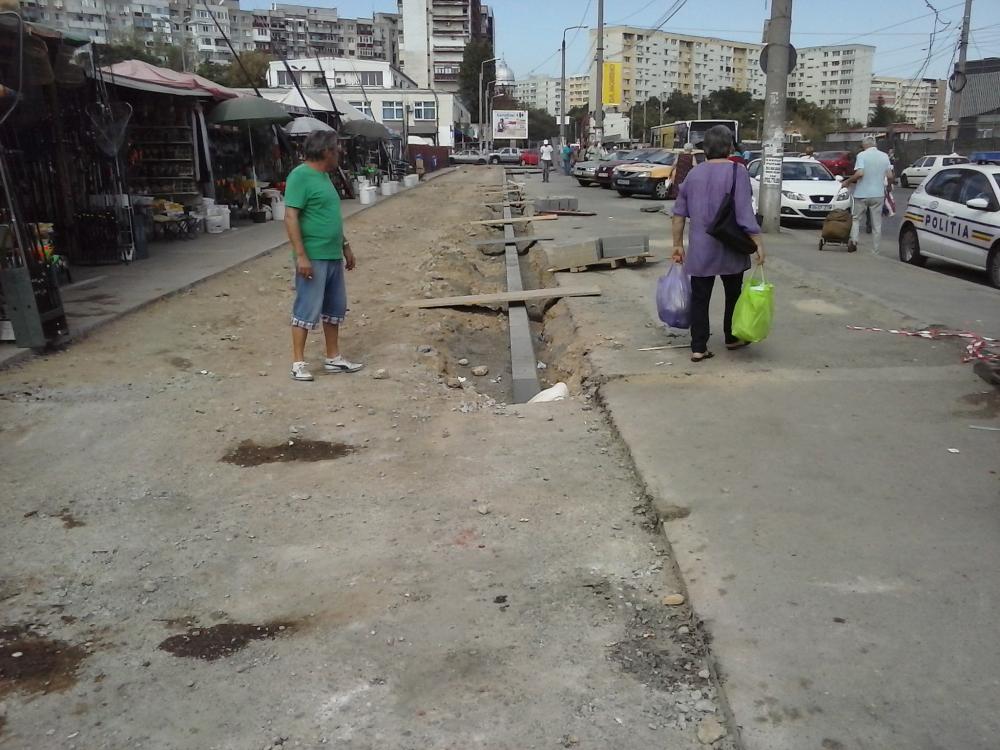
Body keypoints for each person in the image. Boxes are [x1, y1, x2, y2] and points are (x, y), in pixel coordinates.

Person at [672, 125, 765, 363]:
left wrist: (677, 245)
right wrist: (758, 242)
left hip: (701, 248)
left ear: (705, 149)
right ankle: (731, 337)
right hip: (731, 245)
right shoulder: (737, 171)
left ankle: (698, 346)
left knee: (700, 297)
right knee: (733, 294)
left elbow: (679, 214)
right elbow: (744, 213)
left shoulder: (693, 174)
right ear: (730, 147)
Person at [284, 130, 364, 382]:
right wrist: (301, 256)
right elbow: (290, 217)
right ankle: (298, 363)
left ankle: (333, 357)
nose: (340, 152)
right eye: (337, 148)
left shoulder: (325, 177)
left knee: (334, 307)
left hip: (331, 255)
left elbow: (329, 217)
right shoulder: (300, 176)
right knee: (307, 307)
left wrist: (345, 245)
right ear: (326, 151)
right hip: (313, 255)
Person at [841, 136, 894, 254]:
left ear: (865, 145)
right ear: (875, 144)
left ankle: (854, 241)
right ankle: (875, 250)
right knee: (877, 224)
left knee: (856, 218)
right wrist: (889, 186)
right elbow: (890, 176)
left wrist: (847, 181)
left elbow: (860, 173)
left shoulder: (862, 155)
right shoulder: (884, 156)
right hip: (878, 194)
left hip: (862, 193)